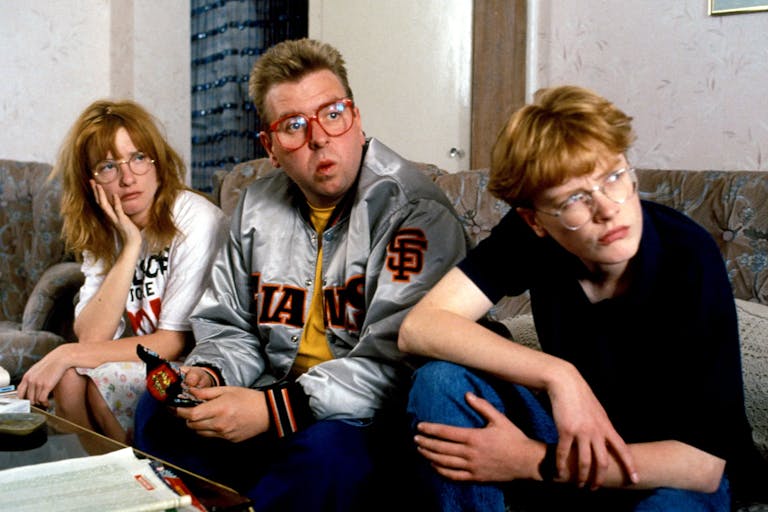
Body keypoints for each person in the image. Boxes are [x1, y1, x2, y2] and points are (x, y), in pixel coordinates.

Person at [133, 37, 467, 511]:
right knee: (159, 412)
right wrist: (210, 372)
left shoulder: (413, 213)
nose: (319, 138)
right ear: (270, 147)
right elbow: (230, 325)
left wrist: (274, 410)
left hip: (362, 421)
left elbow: (397, 364)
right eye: (294, 126)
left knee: (324, 455)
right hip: (271, 399)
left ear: (357, 118)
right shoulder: (254, 208)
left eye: (333, 113)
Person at [398, 85, 768, 511]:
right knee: (441, 382)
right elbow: (420, 327)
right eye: (574, 199)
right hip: (574, 441)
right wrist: (560, 377)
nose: (608, 209)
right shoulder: (530, 237)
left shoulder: (689, 256)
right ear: (534, 220)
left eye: (613, 176)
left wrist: (529, 461)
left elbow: (701, 465)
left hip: (670, 475)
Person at [17, 99, 228, 444]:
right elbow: (91, 335)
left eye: (139, 158)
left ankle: (145, 479)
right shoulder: (108, 228)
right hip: (147, 360)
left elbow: (172, 343)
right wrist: (130, 246)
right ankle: (105, 482)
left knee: (88, 375)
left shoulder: (195, 220)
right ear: (91, 183)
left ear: (158, 163)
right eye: (108, 166)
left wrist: (63, 352)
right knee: (70, 378)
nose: (129, 178)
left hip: (198, 366)